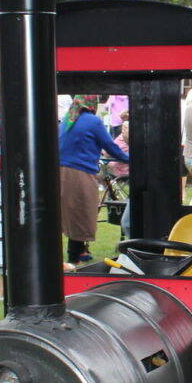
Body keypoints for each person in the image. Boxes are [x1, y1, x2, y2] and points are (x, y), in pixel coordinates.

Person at [60, 94, 129, 266]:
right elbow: (110, 146)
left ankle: (81, 252)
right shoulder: (93, 121)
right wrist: (131, 158)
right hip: (78, 173)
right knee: (82, 214)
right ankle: (72, 260)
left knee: (69, 213)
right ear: (92, 103)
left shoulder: (69, 118)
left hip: (59, 172)